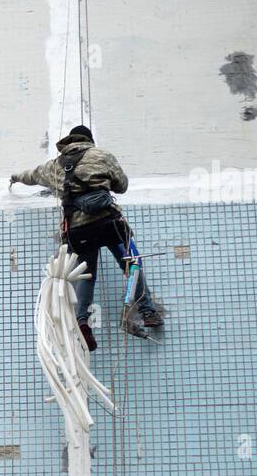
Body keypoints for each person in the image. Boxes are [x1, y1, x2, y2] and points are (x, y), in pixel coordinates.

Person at [9, 125, 163, 351]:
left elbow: (32, 176)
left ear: (68, 143)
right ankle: (147, 312)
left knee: (86, 276)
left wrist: (16, 177)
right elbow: (122, 186)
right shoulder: (102, 155)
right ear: (89, 140)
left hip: (78, 230)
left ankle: (82, 320)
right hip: (109, 223)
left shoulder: (55, 166)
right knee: (131, 265)